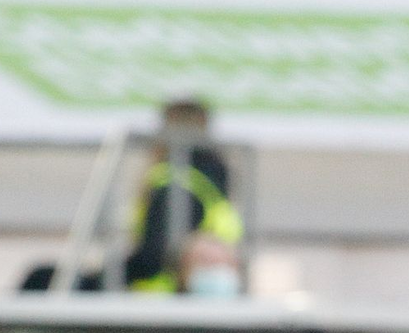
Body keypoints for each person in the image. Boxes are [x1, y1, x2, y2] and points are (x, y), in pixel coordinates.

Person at [19, 98, 243, 294]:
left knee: (41, 280)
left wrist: (106, 277)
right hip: (172, 296)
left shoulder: (177, 184)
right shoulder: (210, 183)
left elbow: (151, 260)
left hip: (156, 301)